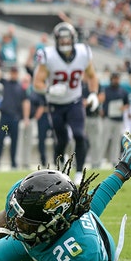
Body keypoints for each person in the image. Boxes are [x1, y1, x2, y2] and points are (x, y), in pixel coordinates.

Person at [0, 131, 131, 261]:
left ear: (51, 223)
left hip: (67, 249)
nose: (17, 223)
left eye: (23, 222)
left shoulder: (80, 249)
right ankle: (126, 168)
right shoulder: (24, 197)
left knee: (86, 210)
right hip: (36, 240)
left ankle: (126, 167)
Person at [32, 22, 100, 184]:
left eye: (67, 39)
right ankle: (61, 168)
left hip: (75, 101)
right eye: (61, 40)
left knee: (79, 135)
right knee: (61, 140)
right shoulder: (48, 55)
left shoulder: (83, 53)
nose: (64, 42)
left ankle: (79, 173)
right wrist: (49, 90)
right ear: (56, 40)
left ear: (73, 39)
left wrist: (94, 94)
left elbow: (92, 75)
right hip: (55, 104)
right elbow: (37, 83)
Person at [0, 65, 30, 170]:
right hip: (5, 118)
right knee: (1, 140)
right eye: (12, 72)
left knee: (14, 141)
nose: (13, 74)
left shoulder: (21, 88)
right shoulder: (5, 83)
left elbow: (25, 102)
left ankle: (13, 164)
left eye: (15, 72)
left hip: (15, 119)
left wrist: (26, 117)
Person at [100, 72, 130, 165]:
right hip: (108, 118)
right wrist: (101, 110)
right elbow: (101, 101)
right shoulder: (105, 90)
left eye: (117, 78)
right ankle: (99, 159)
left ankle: (114, 160)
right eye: (114, 78)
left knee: (116, 141)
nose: (116, 80)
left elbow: (127, 104)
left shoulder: (123, 91)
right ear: (111, 79)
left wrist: (124, 108)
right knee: (104, 140)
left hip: (118, 119)